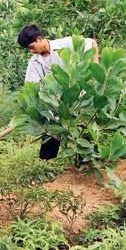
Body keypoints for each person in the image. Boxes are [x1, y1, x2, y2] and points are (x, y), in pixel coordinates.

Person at [17, 24, 99, 159]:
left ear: (39, 39)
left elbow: (92, 43)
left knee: (84, 132)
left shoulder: (65, 44)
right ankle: (49, 164)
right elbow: (31, 86)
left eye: (31, 47)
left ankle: (87, 161)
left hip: (77, 98)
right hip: (54, 103)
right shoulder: (34, 63)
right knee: (50, 132)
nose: (31, 51)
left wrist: (96, 67)